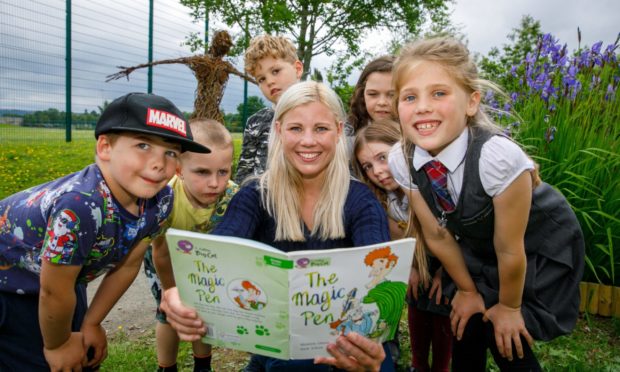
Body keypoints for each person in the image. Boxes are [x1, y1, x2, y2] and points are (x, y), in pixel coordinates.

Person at [159, 81, 396, 371]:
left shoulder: (361, 202)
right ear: (279, 130)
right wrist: (182, 292)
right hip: (277, 349)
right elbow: (219, 250)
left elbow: (381, 274)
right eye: (296, 128)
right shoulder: (255, 195)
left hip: (349, 348)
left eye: (320, 129)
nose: (308, 141)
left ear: (338, 131)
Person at [388, 37, 585, 371]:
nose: (422, 106)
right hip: (477, 244)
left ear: (471, 102)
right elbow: (436, 234)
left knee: (504, 331)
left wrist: (508, 307)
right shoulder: (401, 158)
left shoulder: (498, 158)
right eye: (410, 96)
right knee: (467, 317)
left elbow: (510, 249)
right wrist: (466, 290)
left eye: (439, 93)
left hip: (535, 244)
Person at [0, 92, 209, 371]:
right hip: (11, 287)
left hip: (61, 283)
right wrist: (57, 345)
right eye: (143, 145)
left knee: (82, 357)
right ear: (105, 147)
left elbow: (129, 263)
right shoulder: (80, 206)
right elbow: (53, 292)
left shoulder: (161, 201)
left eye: (170, 152)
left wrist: (91, 323)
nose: (159, 162)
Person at [354, 119, 452, 372]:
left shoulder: (434, 185)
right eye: (367, 166)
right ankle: (419, 365)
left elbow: (455, 236)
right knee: (417, 305)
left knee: (442, 313)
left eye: (382, 158)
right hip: (420, 261)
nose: (377, 170)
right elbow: (400, 241)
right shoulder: (383, 199)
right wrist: (412, 267)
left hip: (452, 262)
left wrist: (446, 272)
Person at [143, 118, 239, 372]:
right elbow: (160, 253)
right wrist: (171, 291)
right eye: (202, 172)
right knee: (170, 315)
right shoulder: (164, 199)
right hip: (164, 261)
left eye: (223, 171)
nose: (215, 183)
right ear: (179, 170)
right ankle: (167, 367)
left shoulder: (233, 197)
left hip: (204, 264)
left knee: (201, 313)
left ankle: (203, 366)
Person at [234, 34, 303, 184]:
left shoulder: (321, 114)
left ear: (297, 69)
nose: (270, 81)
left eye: (276, 71)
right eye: (261, 79)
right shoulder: (256, 122)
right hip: (260, 201)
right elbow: (243, 174)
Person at [348, 56, 396, 134]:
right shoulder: (347, 138)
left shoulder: (418, 140)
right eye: (373, 94)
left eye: (392, 95)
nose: (382, 102)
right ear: (362, 95)